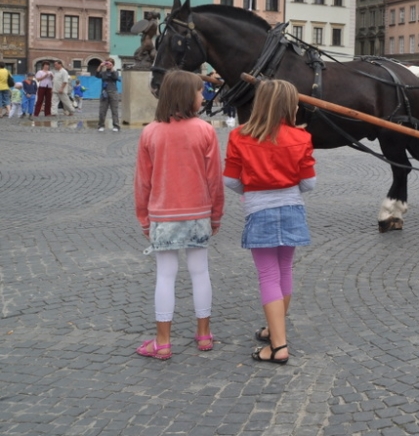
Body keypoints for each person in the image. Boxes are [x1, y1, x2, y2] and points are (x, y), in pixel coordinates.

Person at [133, 70, 224, 360]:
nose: (203, 96)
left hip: (162, 214)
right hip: (198, 212)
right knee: (200, 272)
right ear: (188, 96)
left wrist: (143, 218)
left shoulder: (150, 132)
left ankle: (163, 341)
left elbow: (142, 181)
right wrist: (216, 216)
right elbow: (215, 180)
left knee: (165, 276)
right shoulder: (205, 130)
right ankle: (204, 333)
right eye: (200, 92)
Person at [223, 79, 315, 365]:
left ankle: (278, 345)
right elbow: (309, 183)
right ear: (290, 106)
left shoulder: (239, 135)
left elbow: (230, 180)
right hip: (292, 207)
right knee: (285, 269)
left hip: (258, 209)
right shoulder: (302, 138)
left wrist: (251, 189)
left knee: (267, 276)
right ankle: (274, 330)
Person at [96, 60, 121, 132]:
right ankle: (101, 125)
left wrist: (112, 67)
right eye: (106, 63)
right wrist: (100, 66)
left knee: (114, 110)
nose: (107, 65)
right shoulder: (103, 73)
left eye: (109, 63)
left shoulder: (115, 72)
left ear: (112, 64)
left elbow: (115, 77)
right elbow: (97, 74)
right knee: (102, 110)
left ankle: (116, 126)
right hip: (104, 92)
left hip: (113, 92)